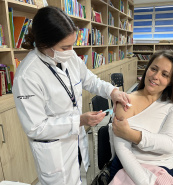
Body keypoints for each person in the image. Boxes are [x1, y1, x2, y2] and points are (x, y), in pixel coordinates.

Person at [12, 6, 130, 185]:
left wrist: (112, 91)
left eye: (72, 45)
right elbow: (36, 127)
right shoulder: (27, 75)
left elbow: (89, 80)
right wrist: (79, 121)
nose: (71, 50)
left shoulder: (68, 56)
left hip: (76, 141)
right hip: (55, 151)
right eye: (65, 46)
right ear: (44, 43)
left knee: (79, 176)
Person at [109, 50, 173, 185]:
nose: (155, 76)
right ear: (147, 69)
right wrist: (146, 181)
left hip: (167, 167)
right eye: (153, 69)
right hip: (128, 167)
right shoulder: (125, 101)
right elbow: (123, 150)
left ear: (171, 81)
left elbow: (171, 144)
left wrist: (132, 135)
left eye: (165, 74)